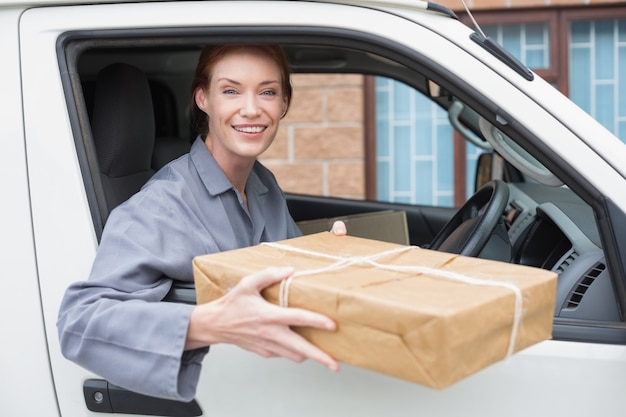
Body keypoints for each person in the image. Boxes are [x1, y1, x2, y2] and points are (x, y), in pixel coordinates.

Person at [57, 44, 345, 402]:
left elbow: (289, 276)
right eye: (230, 91)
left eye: (268, 91)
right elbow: (79, 323)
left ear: (284, 102)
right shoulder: (163, 204)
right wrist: (212, 323)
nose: (252, 108)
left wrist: (330, 260)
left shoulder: (263, 184)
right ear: (202, 99)